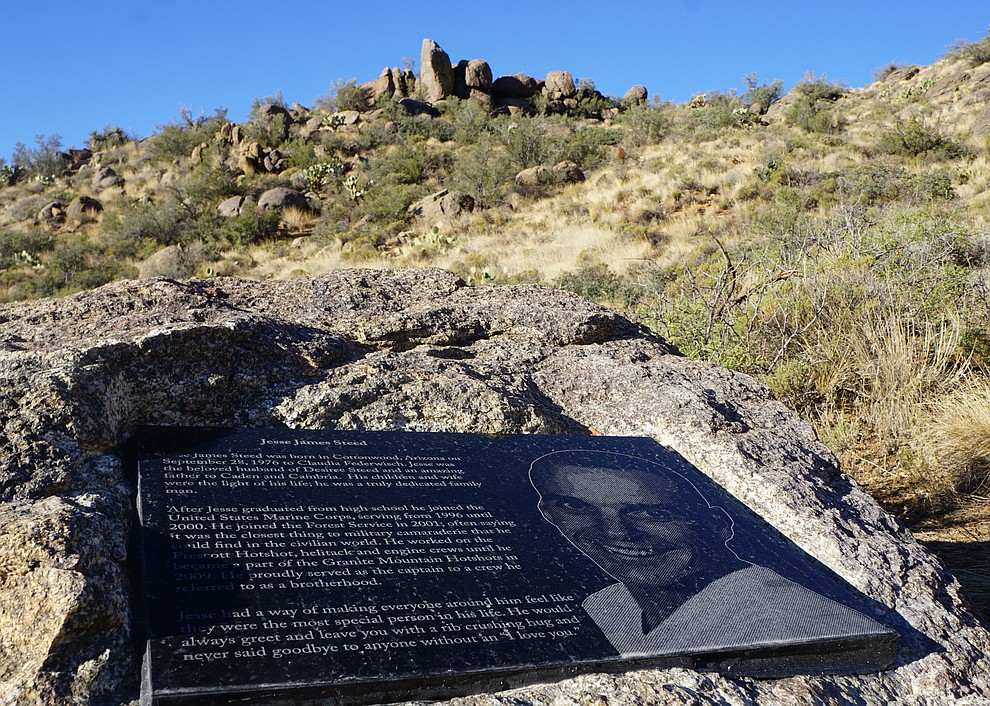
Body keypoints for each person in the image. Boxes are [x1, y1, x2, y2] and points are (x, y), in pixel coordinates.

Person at [529, 449, 885, 657]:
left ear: (717, 525)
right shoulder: (607, 605)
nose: (616, 533)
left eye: (654, 513)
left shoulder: (805, 624)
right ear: (548, 512)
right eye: (575, 506)